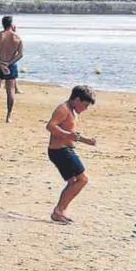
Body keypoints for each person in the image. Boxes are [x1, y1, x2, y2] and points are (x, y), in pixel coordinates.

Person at [46, 85, 97, 224]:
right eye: (85, 105)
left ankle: (59, 212)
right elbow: (50, 126)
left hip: (64, 150)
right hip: (60, 151)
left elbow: (72, 135)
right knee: (82, 179)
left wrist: (86, 140)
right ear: (76, 99)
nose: (85, 109)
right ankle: (58, 211)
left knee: (73, 182)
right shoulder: (63, 109)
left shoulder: (72, 110)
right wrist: (68, 135)